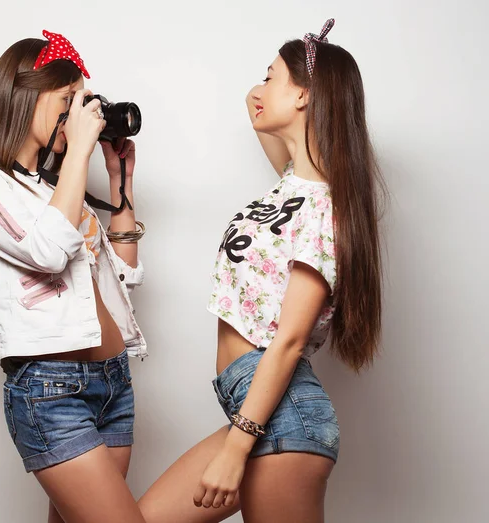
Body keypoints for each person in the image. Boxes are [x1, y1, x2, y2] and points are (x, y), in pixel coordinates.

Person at [139, 19, 385, 523]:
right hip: (259, 407)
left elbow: (290, 341)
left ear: (303, 95)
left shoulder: (324, 210)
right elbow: (255, 110)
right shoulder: (293, 186)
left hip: (279, 415)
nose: (259, 87)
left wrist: (236, 446)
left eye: (271, 75)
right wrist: (280, 78)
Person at [0, 30, 148, 523]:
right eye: (68, 101)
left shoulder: (57, 188)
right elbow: (49, 252)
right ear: (27, 97)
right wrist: (78, 154)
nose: (78, 114)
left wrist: (119, 188)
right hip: (51, 391)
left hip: (114, 384)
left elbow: (122, 276)